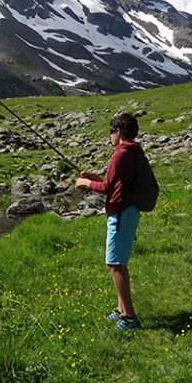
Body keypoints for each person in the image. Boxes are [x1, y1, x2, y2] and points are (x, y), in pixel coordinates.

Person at [75, 112, 144, 330]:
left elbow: (107, 189)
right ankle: (121, 309)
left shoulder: (120, 154)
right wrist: (95, 177)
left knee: (114, 265)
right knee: (119, 263)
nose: (110, 137)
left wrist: (86, 183)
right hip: (129, 210)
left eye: (111, 132)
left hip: (121, 213)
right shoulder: (134, 150)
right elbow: (114, 183)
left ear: (119, 132)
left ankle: (130, 318)